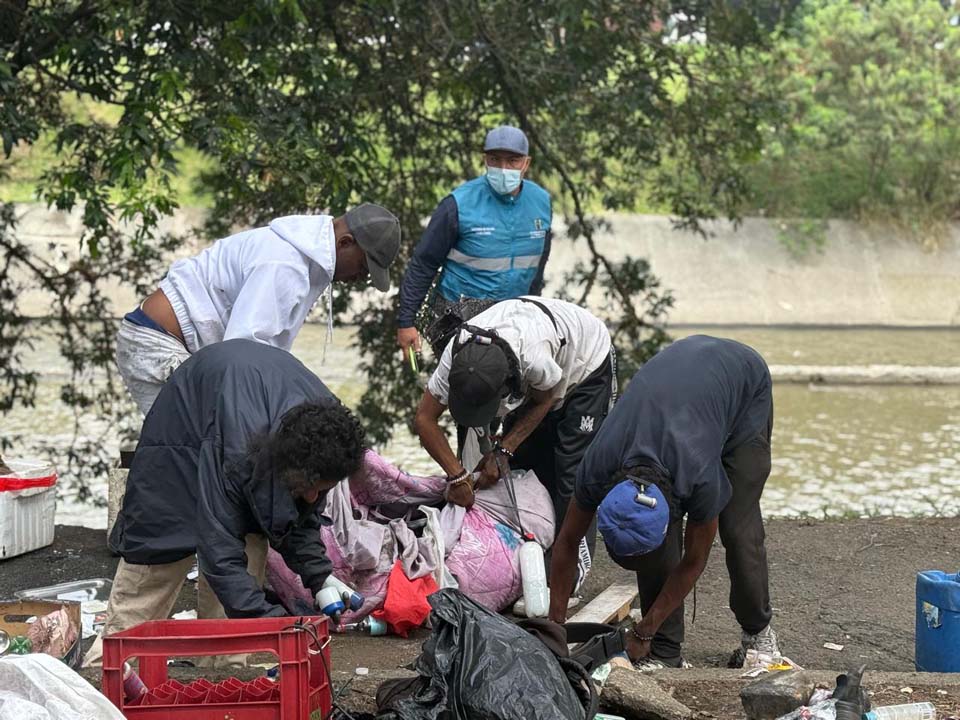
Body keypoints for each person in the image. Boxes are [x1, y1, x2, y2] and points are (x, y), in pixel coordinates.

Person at [83, 339, 367, 667]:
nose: (315, 498)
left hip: (243, 428)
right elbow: (220, 555)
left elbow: (298, 513)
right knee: (149, 581)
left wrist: (319, 576)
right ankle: (103, 676)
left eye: (322, 490)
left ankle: (226, 675)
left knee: (237, 605)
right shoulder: (240, 452)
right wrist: (276, 625)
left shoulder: (327, 436)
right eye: (310, 488)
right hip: (176, 456)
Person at [548, 335, 781, 670]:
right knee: (653, 541)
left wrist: (644, 630)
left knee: (737, 525)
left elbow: (693, 561)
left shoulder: (701, 477)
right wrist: (556, 628)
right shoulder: (598, 465)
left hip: (742, 381)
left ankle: (757, 631)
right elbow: (568, 541)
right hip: (681, 383)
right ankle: (666, 651)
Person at [117, 203, 400, 414]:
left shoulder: (303, 256)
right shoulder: (286, 264)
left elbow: (259, 358)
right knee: (196, 449)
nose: (359, 278)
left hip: (179, 347)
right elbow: (242, 356)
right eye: (363, 267)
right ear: (345, 242)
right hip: (158, 347)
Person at [414, 296, 614, 595]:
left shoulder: (534, 357)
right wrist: (458, 476)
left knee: (572, 475)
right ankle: (526, 554)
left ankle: (567, 575)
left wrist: (504, 448)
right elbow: (424, 419)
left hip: (586, 362)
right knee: (521, 464)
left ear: (509, 383)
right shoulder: (454, 358)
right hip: (538, 369)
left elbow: (546, 399)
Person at [396, 126, 552, 357]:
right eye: (495, 159)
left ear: (526, 164)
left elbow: (539, 264)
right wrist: (406, 321)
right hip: (459, 318)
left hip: (514, 317)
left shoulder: (541, 202)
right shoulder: (458, 204)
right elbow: (423, 263)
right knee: (468, 377)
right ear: (485, 160)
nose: (503, 168)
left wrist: (534, 309)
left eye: (513, 161)